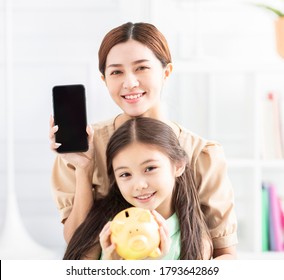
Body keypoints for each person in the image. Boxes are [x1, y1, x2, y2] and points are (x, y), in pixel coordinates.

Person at [50, 22, 237, 259]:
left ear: (166, 72)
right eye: (116, 72)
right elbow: (77, 246)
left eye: (141, 68)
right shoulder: (84, 148)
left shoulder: (201, 153)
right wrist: (83, 170)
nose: (129, 83)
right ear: (104, 79)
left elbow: (226, 254)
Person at [63, 117, 213, 260]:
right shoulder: (105, 229)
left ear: (178, 165)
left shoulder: (196, 241)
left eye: (150, 168)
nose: (139, 185)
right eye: (125, 174)